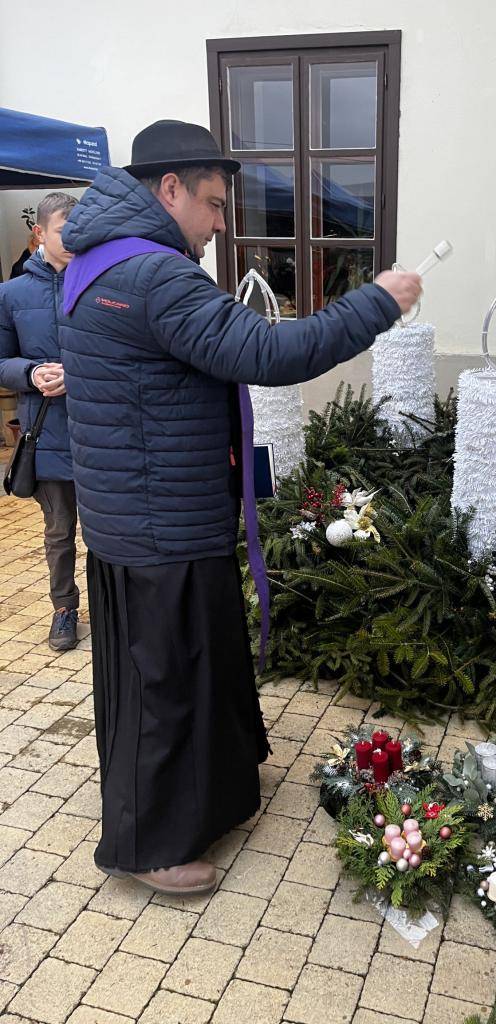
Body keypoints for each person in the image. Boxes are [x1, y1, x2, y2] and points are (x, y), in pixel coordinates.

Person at [58, 120, 421, 895]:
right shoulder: (154, 276)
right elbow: (270, 352)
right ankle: (153, 846)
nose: (222, 223)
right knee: (167, 688)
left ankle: (213, 794)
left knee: (186, 673)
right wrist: (379, 303)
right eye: (215, 205)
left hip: (142, 516)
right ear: (169, 190)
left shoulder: (95, 259)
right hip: (161, 524)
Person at [0, 193, 81, 651]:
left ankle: (114, 609)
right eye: (64, 231)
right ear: (40, 234)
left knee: (110, 531)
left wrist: (80, 374)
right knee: (58, 532)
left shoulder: (101, 284)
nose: (74, 240)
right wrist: (31, 373)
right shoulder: (10, 295)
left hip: (101, 432)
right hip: (45, 431)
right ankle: (64, 609)